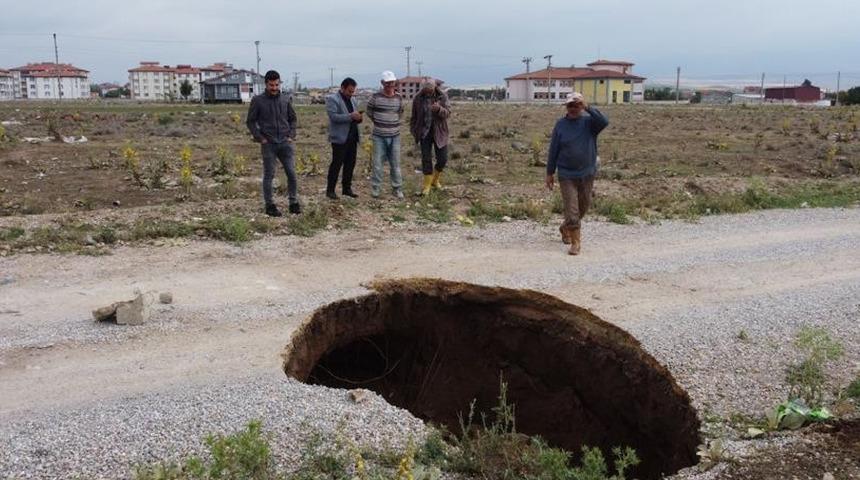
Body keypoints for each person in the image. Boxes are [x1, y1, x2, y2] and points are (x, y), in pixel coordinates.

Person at [545, 92, 609, 255]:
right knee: (572, 209)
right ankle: (575, 243)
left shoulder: (590, 123)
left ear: (581, 106)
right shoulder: (560, 125)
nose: (573, 108)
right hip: (566, 174)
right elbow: (554, 149)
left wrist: (587, 107)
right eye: (570, 105)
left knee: (584, 205)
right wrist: (550, 172)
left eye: (576, 105)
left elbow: (604, 121)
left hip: (587, 172)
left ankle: (565, 227)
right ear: (566, 107)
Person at [246, 70, 300, 217]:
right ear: (266, 84)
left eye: (277, 85)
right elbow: (250, 121)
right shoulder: (257, 100)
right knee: (269, 175)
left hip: (285, 143)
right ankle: (270, 205)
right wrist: (260, 138)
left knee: (292, 174)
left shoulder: (285, 99)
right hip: (268, 144)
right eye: (271, 85)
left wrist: (291, 135)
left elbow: (293, 119)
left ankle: (293, 203)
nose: (274, 88)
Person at [365, 71, 405, 198]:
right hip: (379, 136)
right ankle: (376, 189)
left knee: (396, 164)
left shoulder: (399, 98)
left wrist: (392, 122)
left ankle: (397, 188)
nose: (390, 85)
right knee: (377, 164)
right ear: (382, 83)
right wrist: (378, 121)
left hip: (395, 136)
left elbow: (400, 112)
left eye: (392, 83)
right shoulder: (375, 97)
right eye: (387, 83)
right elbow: (369, 111)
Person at [410, 79, 450, 196]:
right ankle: (427, 184)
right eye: (426, 90)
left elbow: (448, 113)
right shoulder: (418, 97)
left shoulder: (442, 96)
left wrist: (439, 109)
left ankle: (435, 180)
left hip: (440, 132)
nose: (428, 93)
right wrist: (414, 130)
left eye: (430, 90)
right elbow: (414, 116)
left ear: (434, 88)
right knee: (426, 159)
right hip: (424, 132)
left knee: (442, 159)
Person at [325, 77, 362, 199]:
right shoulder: (332, 99)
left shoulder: (353, 100)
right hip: (340, 139)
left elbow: (355, 117)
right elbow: (334, 117)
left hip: (352, 137)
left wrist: (358, 118)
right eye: (349, 91)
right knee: (336, 164)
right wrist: (351, 116)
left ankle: (347, 189)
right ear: (342, 88)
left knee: (350, 165)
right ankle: (330, 190)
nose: (352, 94)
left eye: (353, 91)